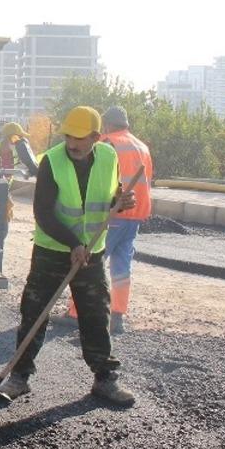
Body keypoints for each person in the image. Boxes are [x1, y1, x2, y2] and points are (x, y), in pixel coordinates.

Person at [0, 106, 138, 407]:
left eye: (79, 138)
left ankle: (104, 378)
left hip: (91, 252)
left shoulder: (109, 157)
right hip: (52, 251)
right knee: (34, 311)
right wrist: (73, 243)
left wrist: (120, 201)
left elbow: (110, 195)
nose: (72, 143)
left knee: (96, 314)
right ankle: (19, 376)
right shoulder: (52, 162)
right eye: (68, 136)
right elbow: (43, 213)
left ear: (96, 137)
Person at [68, 106, 154, 333]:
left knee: (90, 262)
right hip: (134, 215)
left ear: (106, 124)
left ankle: (76, 313)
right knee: (121, 267)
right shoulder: (142, 147)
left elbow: (93, 178)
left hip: (113, 212)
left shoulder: (106, 144)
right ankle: (117, 316)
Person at [0, 121, 41, 269]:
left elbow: (28, 165)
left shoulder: (14, 154)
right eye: (18, 137)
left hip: (1, 196)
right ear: (10, 137)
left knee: (0, 233)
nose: (19, 141)